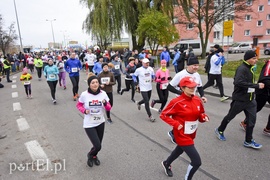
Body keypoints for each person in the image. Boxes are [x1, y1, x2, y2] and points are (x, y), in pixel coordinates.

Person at [160, 76, 209, 179]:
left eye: (194, 86)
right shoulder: (177, 102)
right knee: (196, 162)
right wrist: (176, 124)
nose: (193, 89)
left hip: (191, 133)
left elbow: (201, 114)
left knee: (180, 150)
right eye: (189, 87)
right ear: (182, 88)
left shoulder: (197, 99)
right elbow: (163, 115)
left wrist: (204, 117)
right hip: (181, 134)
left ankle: (166, 163)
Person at [215, 50, 265, 149]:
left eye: (256, 58)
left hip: (250, 100)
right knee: (230, 116)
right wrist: (256, 85)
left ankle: (248, 141)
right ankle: (220, 130)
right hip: (240, 100)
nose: (256, 60)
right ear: (248, 59)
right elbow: (238, 82)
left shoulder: (251, 68)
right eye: (254, 58)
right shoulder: (242, 69)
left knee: (251, 121)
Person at [167, 56, 207, 143]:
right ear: (188, 65)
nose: (196, 67)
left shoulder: (197, 75)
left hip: (191, 100)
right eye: (194, 65)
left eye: (197, 65)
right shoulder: (180, 75)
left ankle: (176, 134)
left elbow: (200, 87)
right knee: (182, 120)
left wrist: (202, 96)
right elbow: (169, 87)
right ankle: (176, 135)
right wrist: (182, 94)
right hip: (180, 102)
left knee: (189, 120)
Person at [76, 74, 111, 167]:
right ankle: (90, 155)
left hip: (100, 122)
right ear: (89, 84)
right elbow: (78, 105)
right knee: (98, 145)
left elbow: (108, 108)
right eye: (93, 83)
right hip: (89, 123)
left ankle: (94, 156)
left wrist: (105, 103)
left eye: (96, 82)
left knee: (98, 145)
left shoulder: (103, 94)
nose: (95, 84)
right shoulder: (84, 94)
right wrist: (84, 110)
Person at [240, 59, 270, 136]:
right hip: (263, 91)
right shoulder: (269, 64)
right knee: (256, 108)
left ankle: (268, 128)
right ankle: (245, 122)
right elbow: (265, 78)